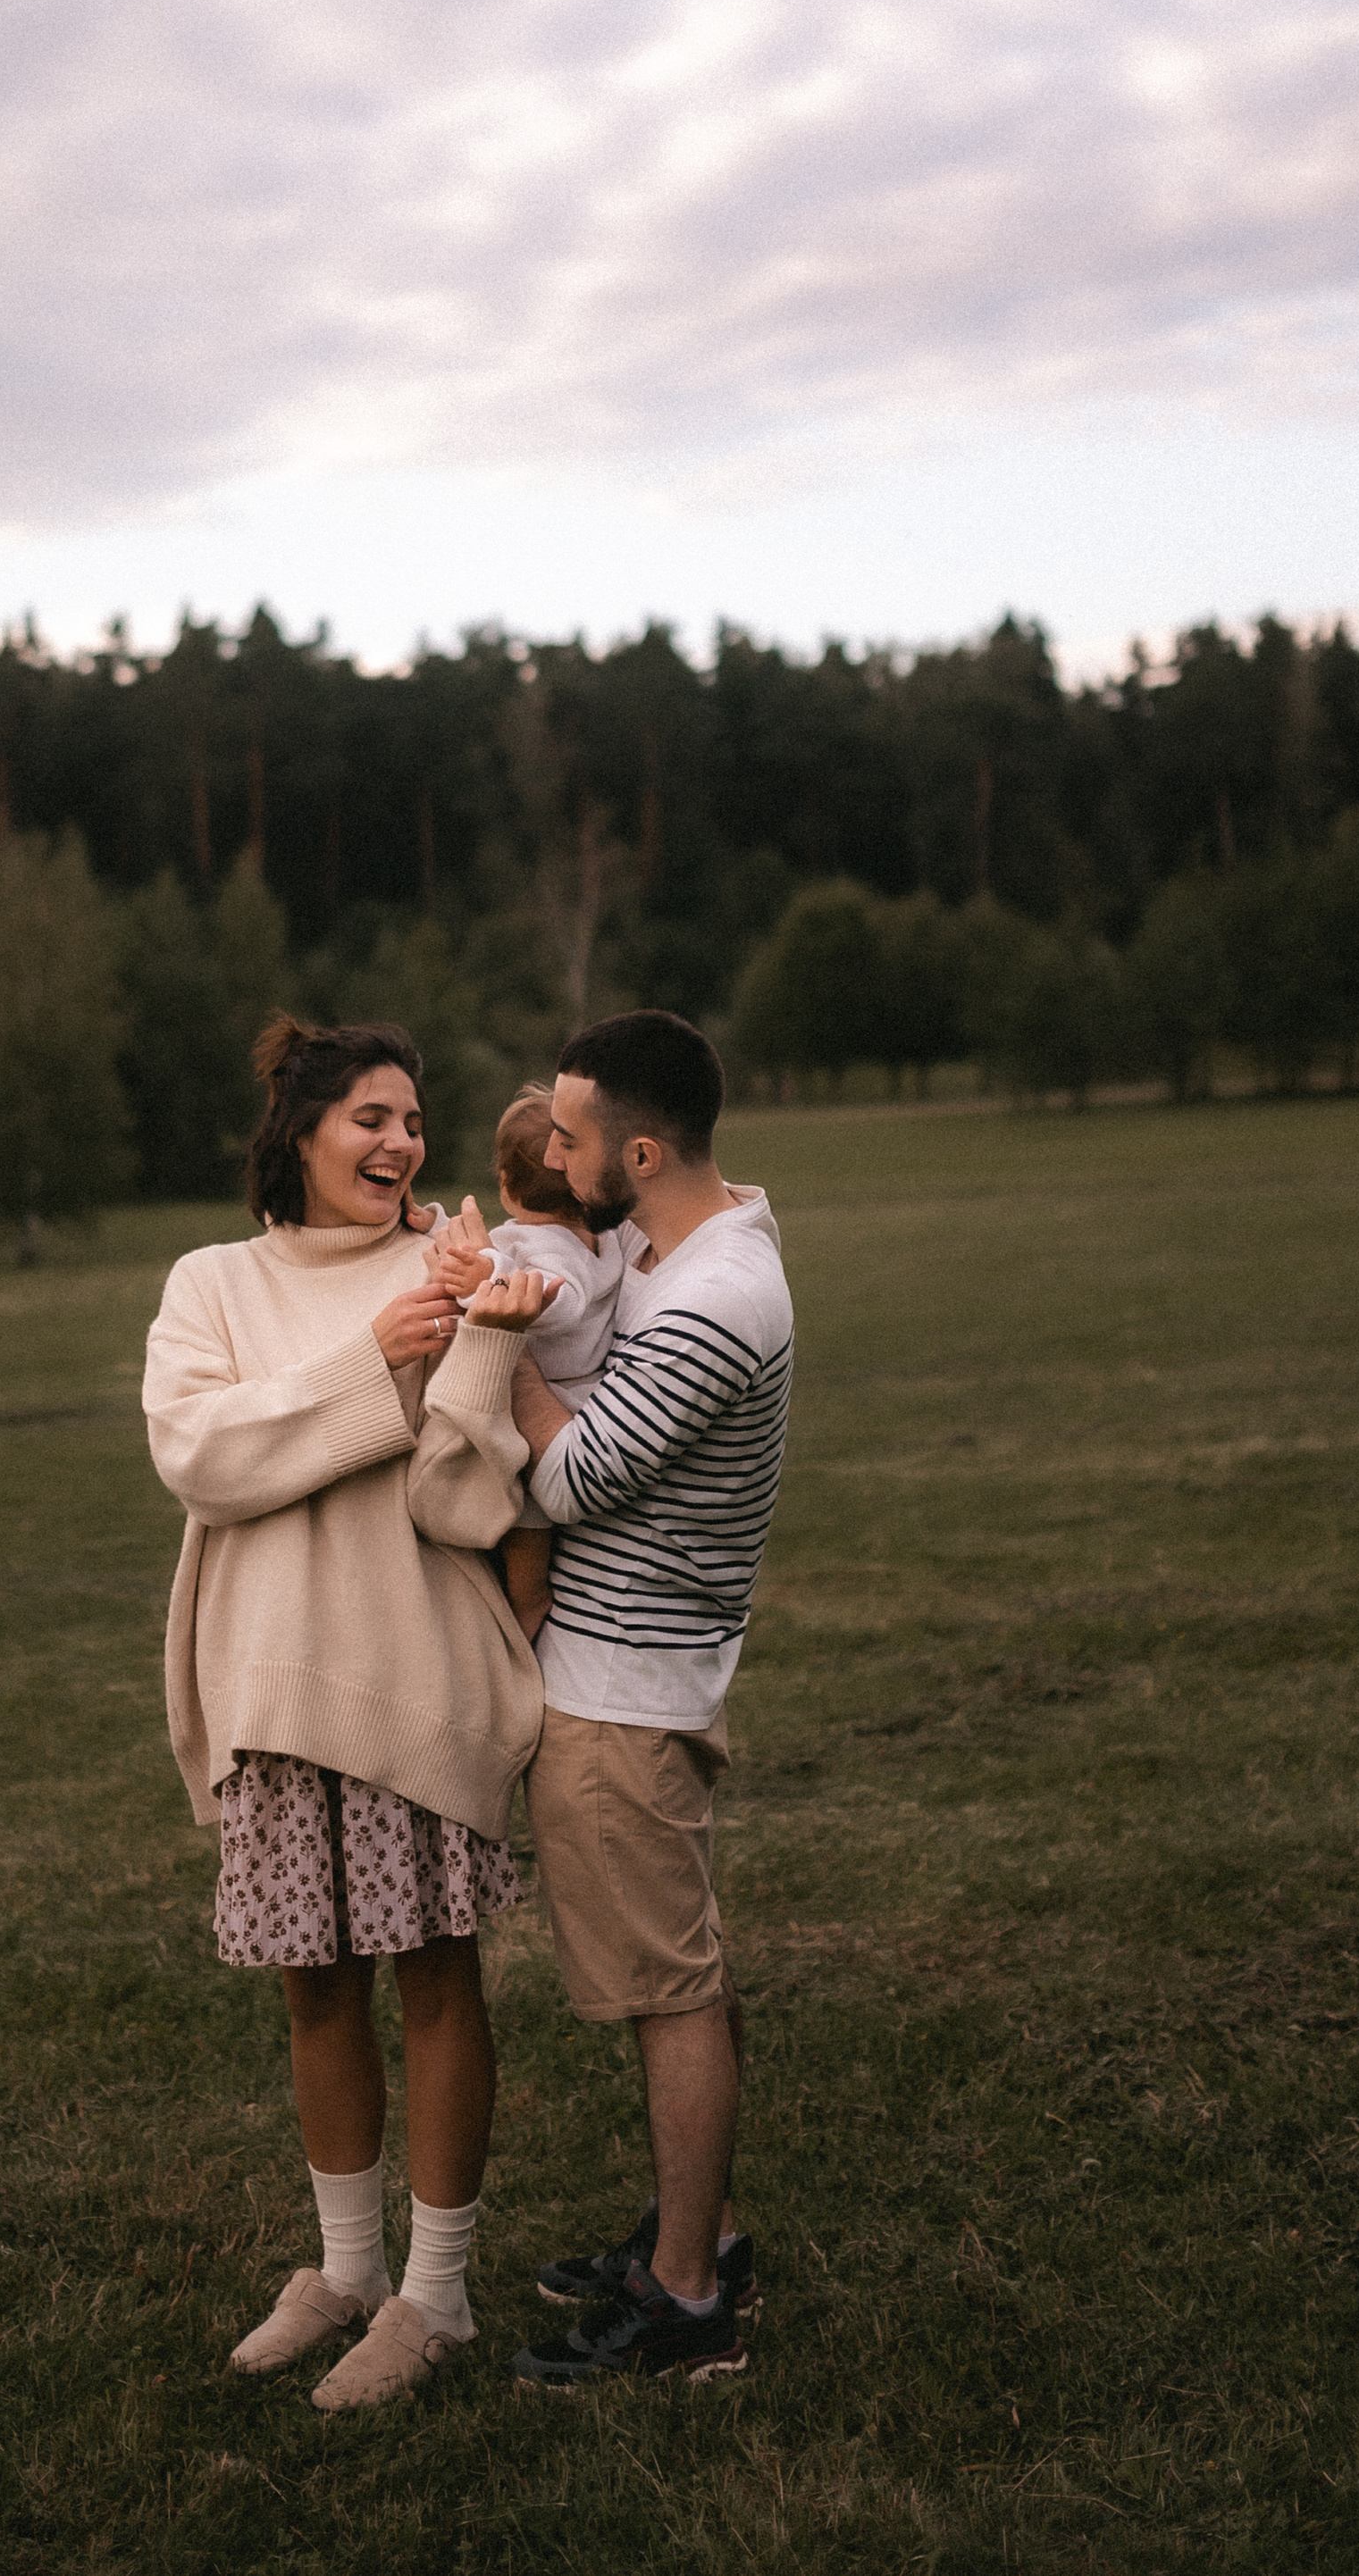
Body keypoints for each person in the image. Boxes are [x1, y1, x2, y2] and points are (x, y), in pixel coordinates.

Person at [144, 1015, 556, 2414]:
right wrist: (372, 1353)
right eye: (369, 1118)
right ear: (302, 1134)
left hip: (411, 1675)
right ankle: (346, 2271)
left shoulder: (453, 1270)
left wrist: (477, 1340)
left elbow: (467, 1495)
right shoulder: (214, 1282)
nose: (399, 1143)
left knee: (436, 1976)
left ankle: (434, 2295)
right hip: (268, 1689)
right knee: (314, 1985)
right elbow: (202, 1455)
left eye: (411, 1120)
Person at [499, 1009, 794, 2390]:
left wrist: (495, 1346)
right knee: (682, 1969)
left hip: (623, 1687)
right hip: (641, 1666)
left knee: (671, 1991)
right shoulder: (687, 1250)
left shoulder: (713, 1298)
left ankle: (686, 2301)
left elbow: (567, 1480)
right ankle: (704, 2236)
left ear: (643, 1146)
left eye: (567, 1135)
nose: (551, 1157)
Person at [457, 1083, 633, 1643]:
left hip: (557, 1404)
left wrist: (508, 1288)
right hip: (579, 1393)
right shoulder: (590, 1237)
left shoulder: (547, 1250)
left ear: (506, 1187)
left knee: (528, 1514)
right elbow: (482, 1249)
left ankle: (529, 1602)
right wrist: (429, 1223)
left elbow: (561, 1298)